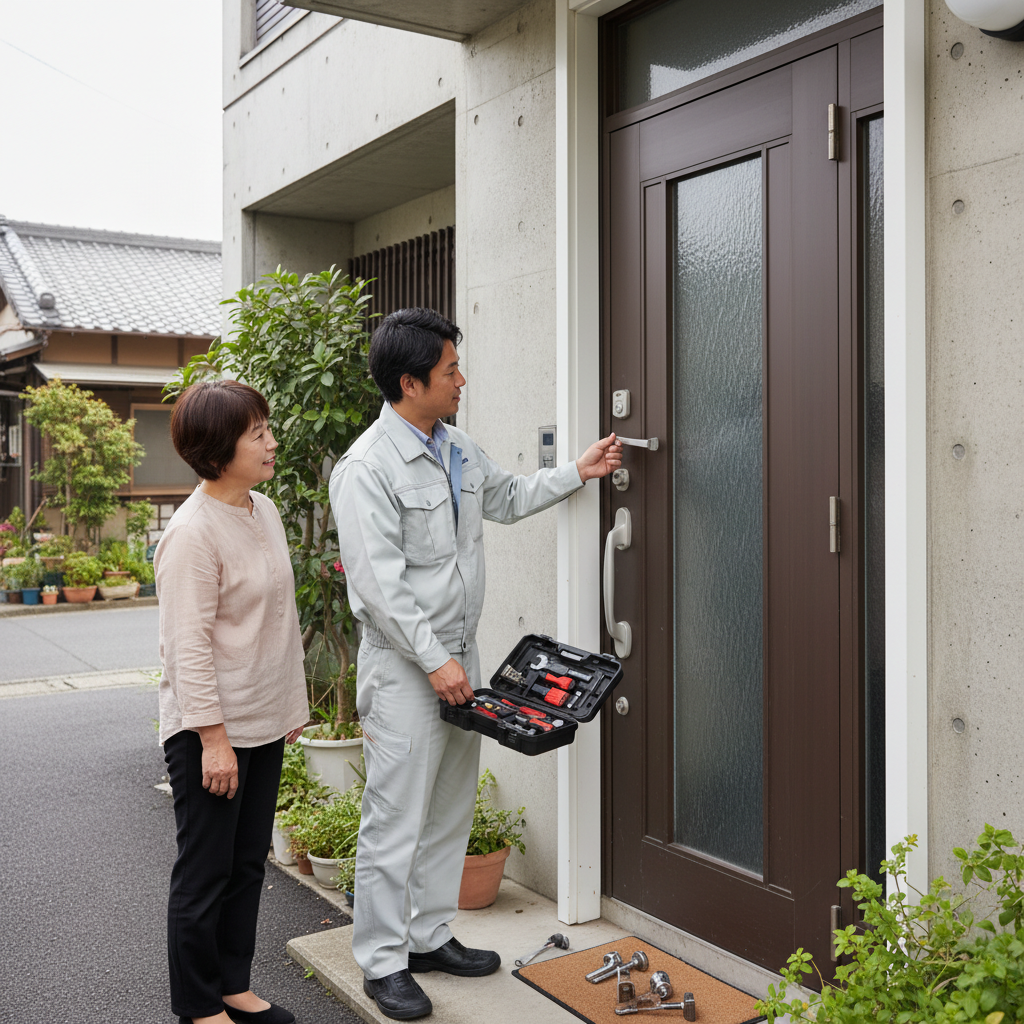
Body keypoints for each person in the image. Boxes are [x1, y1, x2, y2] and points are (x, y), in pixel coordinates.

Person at [328, 307, 623, 1020]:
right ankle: (382, 960)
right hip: (407, 668)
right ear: (410, 382)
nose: (463, 380)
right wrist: (434, 663)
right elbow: (379, 586)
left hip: (462, 660)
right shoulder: (368, 468)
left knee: (451, 805)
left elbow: (508, 495)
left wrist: (576, 473)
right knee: (395, 816)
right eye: (450, 370)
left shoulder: (453, 445)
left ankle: (429, 936)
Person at [156, 380, 309, 1024]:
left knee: (248, 864)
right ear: (221, 450)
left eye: (268, 428)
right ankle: (197, 1005)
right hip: (207, 733)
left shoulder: (263, 509)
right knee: (205, 872)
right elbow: (185, 650)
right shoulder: (192, 533)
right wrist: (214, 738)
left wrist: (288, 708)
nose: (273, 441)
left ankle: (231, 984)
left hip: (261, 720)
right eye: (258, 434)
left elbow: (277, 616)